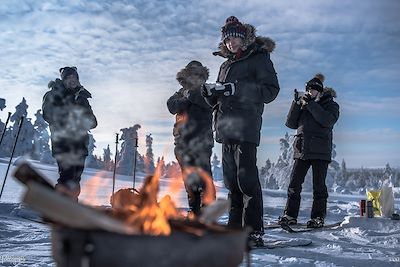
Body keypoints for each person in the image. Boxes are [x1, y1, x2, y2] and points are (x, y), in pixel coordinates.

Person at [202, 16, 280, 247]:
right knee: (231, 183)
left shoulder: (258, 58)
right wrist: (211, 95)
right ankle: (234, 229)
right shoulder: (225, 65)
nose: (230, 43)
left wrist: (236, 89)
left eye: (235, 37)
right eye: (227, 40)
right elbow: (219, 101)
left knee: (247, 182)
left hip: (246, 127)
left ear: (244, 37)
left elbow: (270, 91)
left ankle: (254, 232)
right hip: (226, 130)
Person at [279, 73, 339, 228]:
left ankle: (318, 217)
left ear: (320, 91)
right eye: (308, 90)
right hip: (302, 149)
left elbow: (327, 120)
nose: (310, 92)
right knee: (294, 184)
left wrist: (311, 104)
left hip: (320, 151)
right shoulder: (304, 104)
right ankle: (290, 215)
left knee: (319, 187)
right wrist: (296, 103)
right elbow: (291, 123)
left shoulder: (330, 104)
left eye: (313, 90)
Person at [167, 61, 215, 215]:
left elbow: (207, 103)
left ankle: (208, 214)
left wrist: (188, 96)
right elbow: (171, 105)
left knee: (204, 179)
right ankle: (194, 211)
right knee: (189, 180)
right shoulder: (182, 92)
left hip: (201, 142)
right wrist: (186, 99)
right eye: (191, 74)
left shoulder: (206, 90)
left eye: (197, 74)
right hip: (182, 142)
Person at [42, 66, 97, 200]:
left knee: (75, 179)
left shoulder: (82, 98)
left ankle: (71, 207)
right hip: (63, 142)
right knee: (67, 176)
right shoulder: (53, 94)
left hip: (80, 145)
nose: (72, 80)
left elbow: (93, 122)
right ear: (63, 80)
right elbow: (48, 114)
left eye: (74, 78)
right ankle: (57, 207)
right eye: (68, 78)